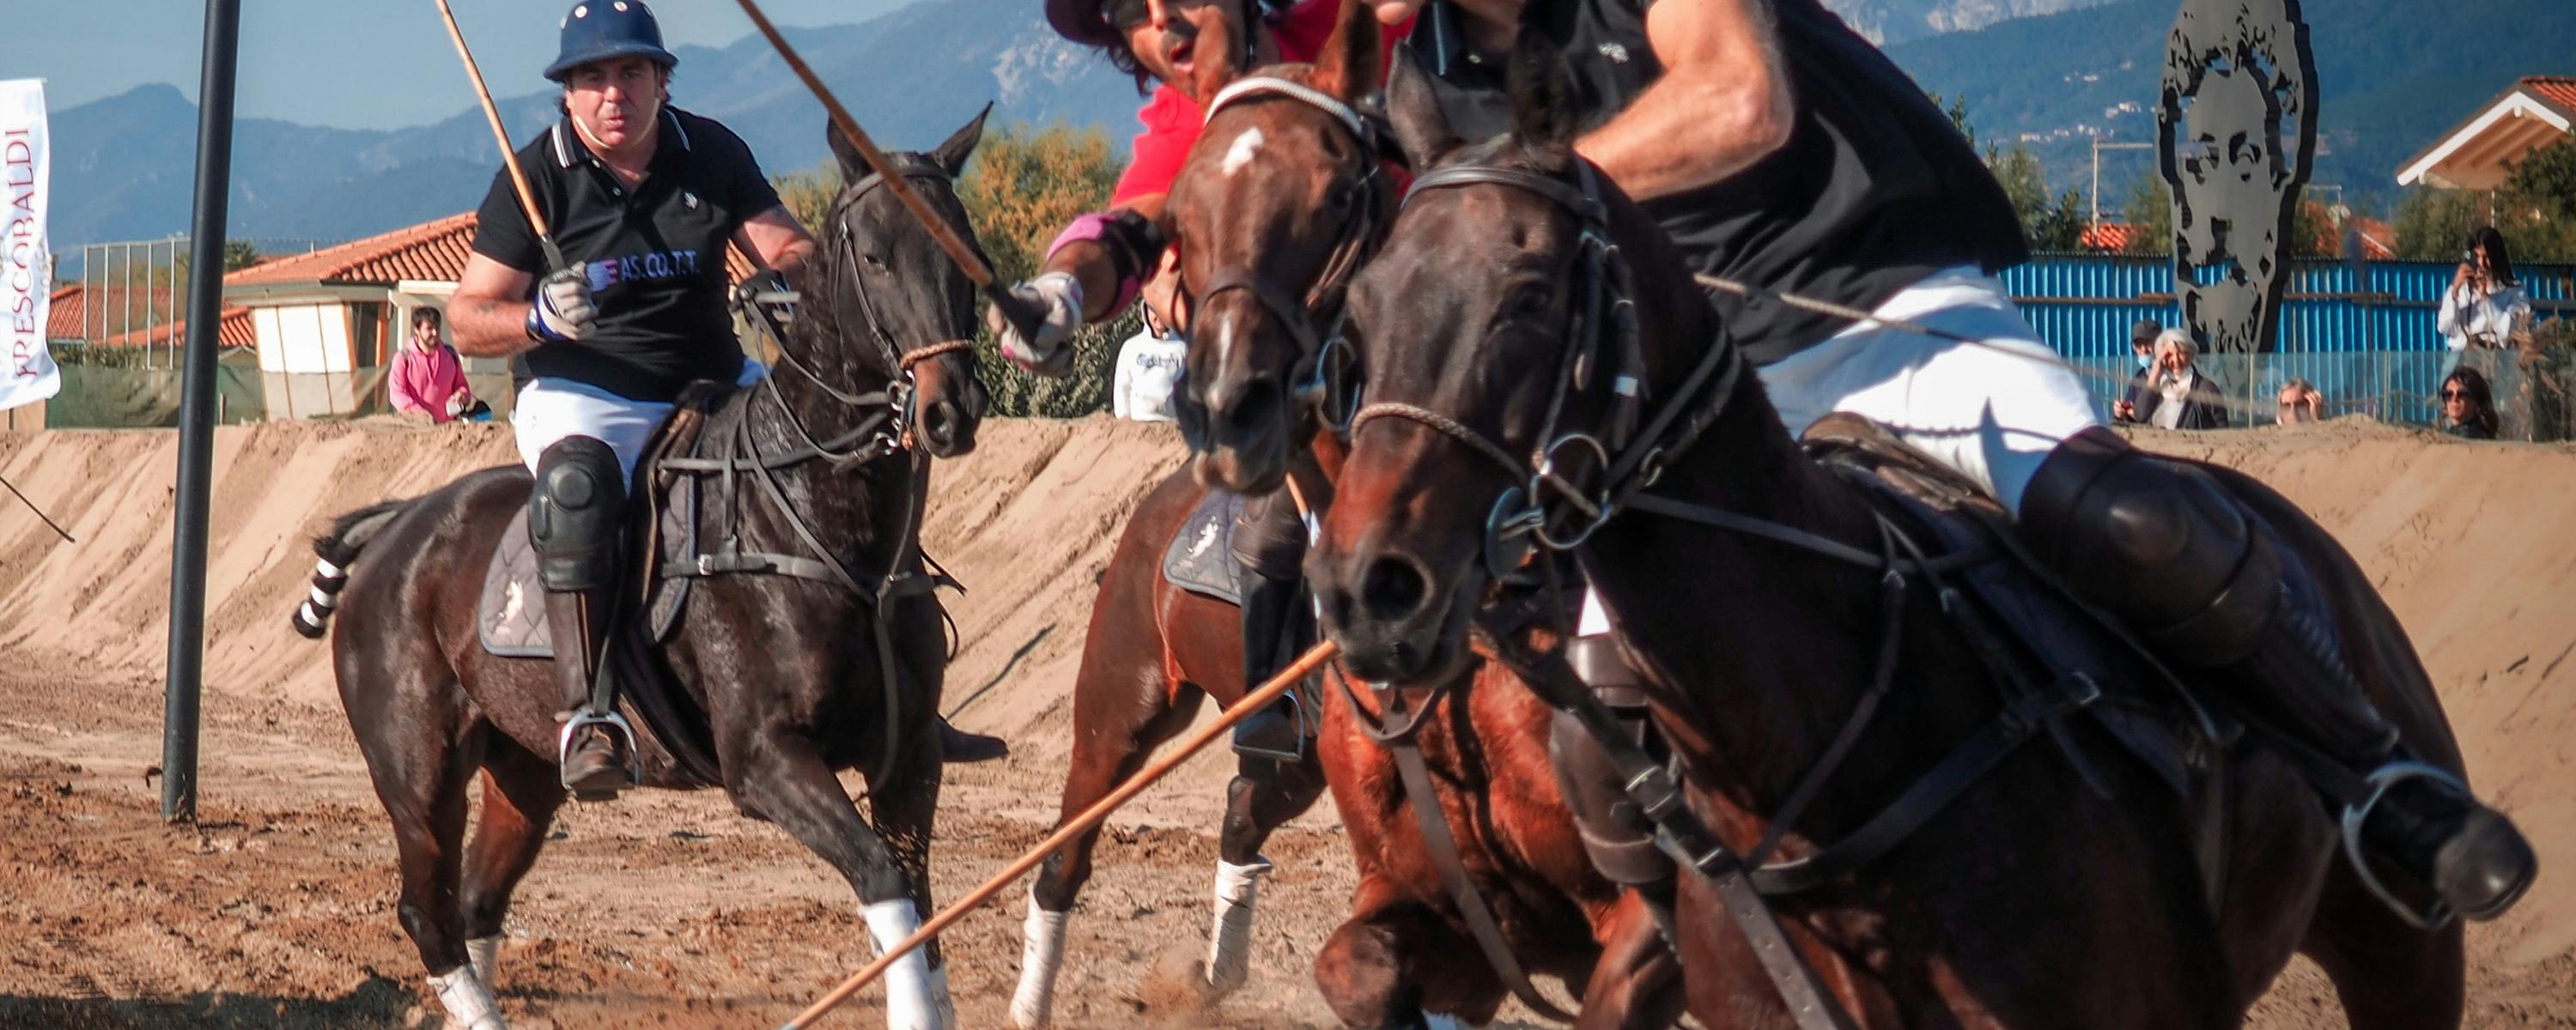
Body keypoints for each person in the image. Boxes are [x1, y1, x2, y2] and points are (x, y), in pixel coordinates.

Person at [1370, 0, 2531, 920]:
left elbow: (1741, 98)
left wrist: (1539, 179)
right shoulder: (1421, 74)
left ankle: (2376, 781)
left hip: (1879, 300)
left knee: (2119, 516)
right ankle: (1698, 939)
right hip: (1700, 391)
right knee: (1598, 727)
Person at [447, 1, 1003, 803]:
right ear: (567, 93)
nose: (614, 94)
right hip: (585, 393)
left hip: (710, 380)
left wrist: (789, 277)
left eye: (631, 73)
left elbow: (785, 242)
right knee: (577, 490)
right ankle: (589, 713)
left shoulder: (708, 150)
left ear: (661, 81)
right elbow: (468, 317)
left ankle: (904, 693)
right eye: (594, 78)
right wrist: (535, 316)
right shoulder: (533, 176)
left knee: (849, 450)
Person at [997, 0, 1414, 765]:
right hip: (1344, 398)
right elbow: (1128, 227)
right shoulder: (1192, 122)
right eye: (1134, 9)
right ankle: (1276, 690)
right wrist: (1060, 290)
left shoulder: (1331, 18)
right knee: (1281, 506)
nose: (1165, 16)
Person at [2439, 227, 2532, 377]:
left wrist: (2485, 299)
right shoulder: (2462, 289)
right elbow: (2444, 327)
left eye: (2487, 257)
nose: (2481, 264)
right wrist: (2455, 290)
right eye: (2477, 256)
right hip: (2460, 361)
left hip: (2494, 362)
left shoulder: (2515, 290)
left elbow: (2508, 331)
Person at [2112, 329, 2229, 430]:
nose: (2176, 360)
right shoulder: (2153, 383)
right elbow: (2140, 416)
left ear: (2191, 355)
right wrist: (2154, 376)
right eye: (2169, 355)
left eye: (2182, 353)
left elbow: (2222, 428)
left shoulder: (2206, 388)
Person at [390, 306, 477, 424]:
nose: (435, 333)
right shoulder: (403, 359)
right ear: (417, 329)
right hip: (414, 429)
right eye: (429, 328)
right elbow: (397, 394)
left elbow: (462, 386)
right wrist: (420, 414)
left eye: (437, 328)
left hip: (447, 431)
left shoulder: (450, 355)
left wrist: (462, 395)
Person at [1112, 314, 1188, 421]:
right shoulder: (1131, 347)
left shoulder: (1182, 348)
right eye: (1153, 309)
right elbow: (1122, 387)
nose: (1158, 315)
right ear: (1146, 312)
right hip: (1138, 424)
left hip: (1172, 425)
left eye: (1160, 309)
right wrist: (1124, 420)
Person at [2441, 367, 2500, 440]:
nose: (2454, 399)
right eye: (2448, 394)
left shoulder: (2475, 436)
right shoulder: (2450, 433)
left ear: (2476, 401)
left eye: (2462, 394)